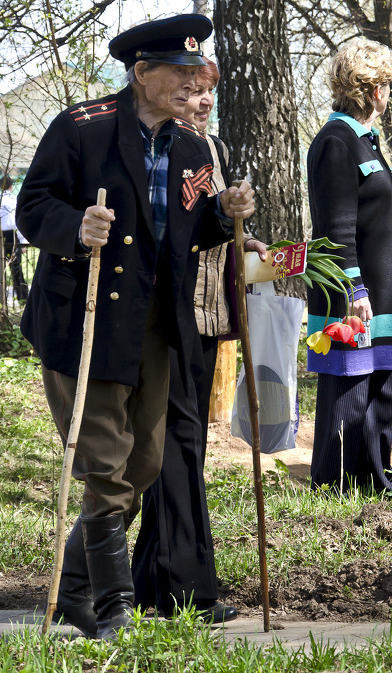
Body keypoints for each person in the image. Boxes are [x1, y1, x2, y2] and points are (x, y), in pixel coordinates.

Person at [15, 14, 255, 640]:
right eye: (179, 72)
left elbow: (191, 230)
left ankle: (72, 588)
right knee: (106, 461)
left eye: (195, 73)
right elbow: (32, 206)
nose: (191, 83)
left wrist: (225, 215)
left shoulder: (194, 146)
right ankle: (113, 607)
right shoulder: (81, 127)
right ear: (141, 73)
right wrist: (75, 229)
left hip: (157, 325)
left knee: (144, 462)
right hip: (84, 319)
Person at [132, 58, 267, 623]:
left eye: (210, 91)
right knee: (175, 444)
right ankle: (187, 587)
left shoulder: (213, 152)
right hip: (165, 317)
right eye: (193, 91)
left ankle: (149, 580)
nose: (202, 100)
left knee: (183, 444)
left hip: (206, 316)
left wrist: (244, 231)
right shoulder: (159, 150)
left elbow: (207, 224)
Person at [306, 38, 392, 493]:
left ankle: (374, 481)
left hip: (378, 292)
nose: (389, 93)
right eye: (386, 84)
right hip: (351, 293)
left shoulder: (365, 140)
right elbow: (335, 230)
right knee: (347, 390)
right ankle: (333, 488)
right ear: (372, 90)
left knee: (376, 391)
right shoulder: (336, 142)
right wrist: (355, 291)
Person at [0, 174, 29, 303]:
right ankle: (22, 298)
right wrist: (23, 241)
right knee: (16, 268)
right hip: (12, 236)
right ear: (11, 186)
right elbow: (18, 222)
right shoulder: (14, 200)